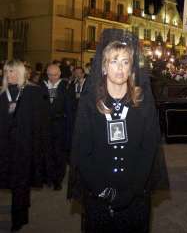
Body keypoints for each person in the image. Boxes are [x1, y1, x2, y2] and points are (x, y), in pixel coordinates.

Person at [71, 29, 162, 232]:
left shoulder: (143, 102)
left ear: (132, 68)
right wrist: (102, 190)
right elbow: (82, 151)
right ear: (103, 67)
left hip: (135, 197)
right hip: (98, 197)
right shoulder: (89, 103)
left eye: (125, 62)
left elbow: (149, 150)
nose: (120, 68)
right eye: (113, 61)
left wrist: (131, 191)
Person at [0, 60, 46, 231]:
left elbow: (40, 124)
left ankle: (18, 220)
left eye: (13, 71)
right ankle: (22, 210)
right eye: (7, 72)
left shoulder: (33, 93)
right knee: (13, 183)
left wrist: (38, 149)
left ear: (21, 73)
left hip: (25, 148)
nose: (10, 75)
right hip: (5, 149)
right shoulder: (2, 94)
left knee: (20, 184)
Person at [40, 64, 70, 190]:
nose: (51, 77)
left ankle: (58, 180)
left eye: (54, 75)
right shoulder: (42, 86)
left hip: (60, 124)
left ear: (59, 74)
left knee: (59, 153)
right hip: (46, 124)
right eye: (49, 75)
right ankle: (48, 177)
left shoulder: (66, 87)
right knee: (47, 151)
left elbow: (69, 108)